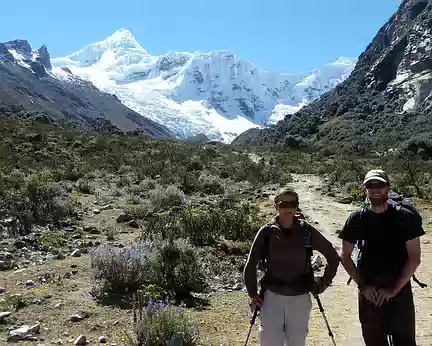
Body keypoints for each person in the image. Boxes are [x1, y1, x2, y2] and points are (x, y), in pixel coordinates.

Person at [339, 169, 425, 346]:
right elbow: (345, 256)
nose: (375, 189)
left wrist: (393, 289)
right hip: (369, 289)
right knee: (374, 340)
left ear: (388, 188)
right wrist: (363, 285)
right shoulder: (357, 219)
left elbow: (415, 258)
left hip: (399, 287)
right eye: (371, 185)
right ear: (365, 188)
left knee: (404, 341)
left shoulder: (405, 217)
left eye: (379, 185)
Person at [244, 187, 340, 346]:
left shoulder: (307, 231)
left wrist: (322, 283)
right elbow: (251, 264)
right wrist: (253, 294)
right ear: (276, 206)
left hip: (300, 298)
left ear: (297, 206)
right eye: (283, 204)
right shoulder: (267, 232)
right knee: (269, 341)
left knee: (296, 342)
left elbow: (333, 256)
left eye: (292, 204)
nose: (288, 208)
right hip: (271, 298)